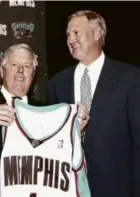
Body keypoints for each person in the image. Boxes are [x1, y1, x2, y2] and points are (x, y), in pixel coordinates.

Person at [0, 43, 89, 197]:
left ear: (33, 74)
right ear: (2, 71)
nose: (20, 70)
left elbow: (56, 157)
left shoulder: (46, 110)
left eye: (27, 66)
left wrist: (72, 133)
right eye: (14, 64)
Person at [46, 10, 140, 197]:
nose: (70, 40)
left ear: (97, 34)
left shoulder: (130, 78)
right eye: (67, 35)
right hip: (68, 187)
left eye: (76, 33)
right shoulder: (57, 83)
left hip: (116, 188)